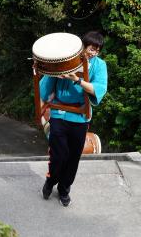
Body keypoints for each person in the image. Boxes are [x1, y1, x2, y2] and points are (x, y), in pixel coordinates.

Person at [39, 31, 108, 207]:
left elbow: (99, 88)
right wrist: (50, 70)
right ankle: (51, 180)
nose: (93, 52)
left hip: (80, 115)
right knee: (58, 154)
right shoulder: (66, 60)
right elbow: (44, 91)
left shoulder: (99, 65)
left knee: (73, 156)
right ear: (82, 47)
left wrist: (77, 80)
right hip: (59, 113)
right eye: (91, 48)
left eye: (97, 50)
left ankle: (64, 188)